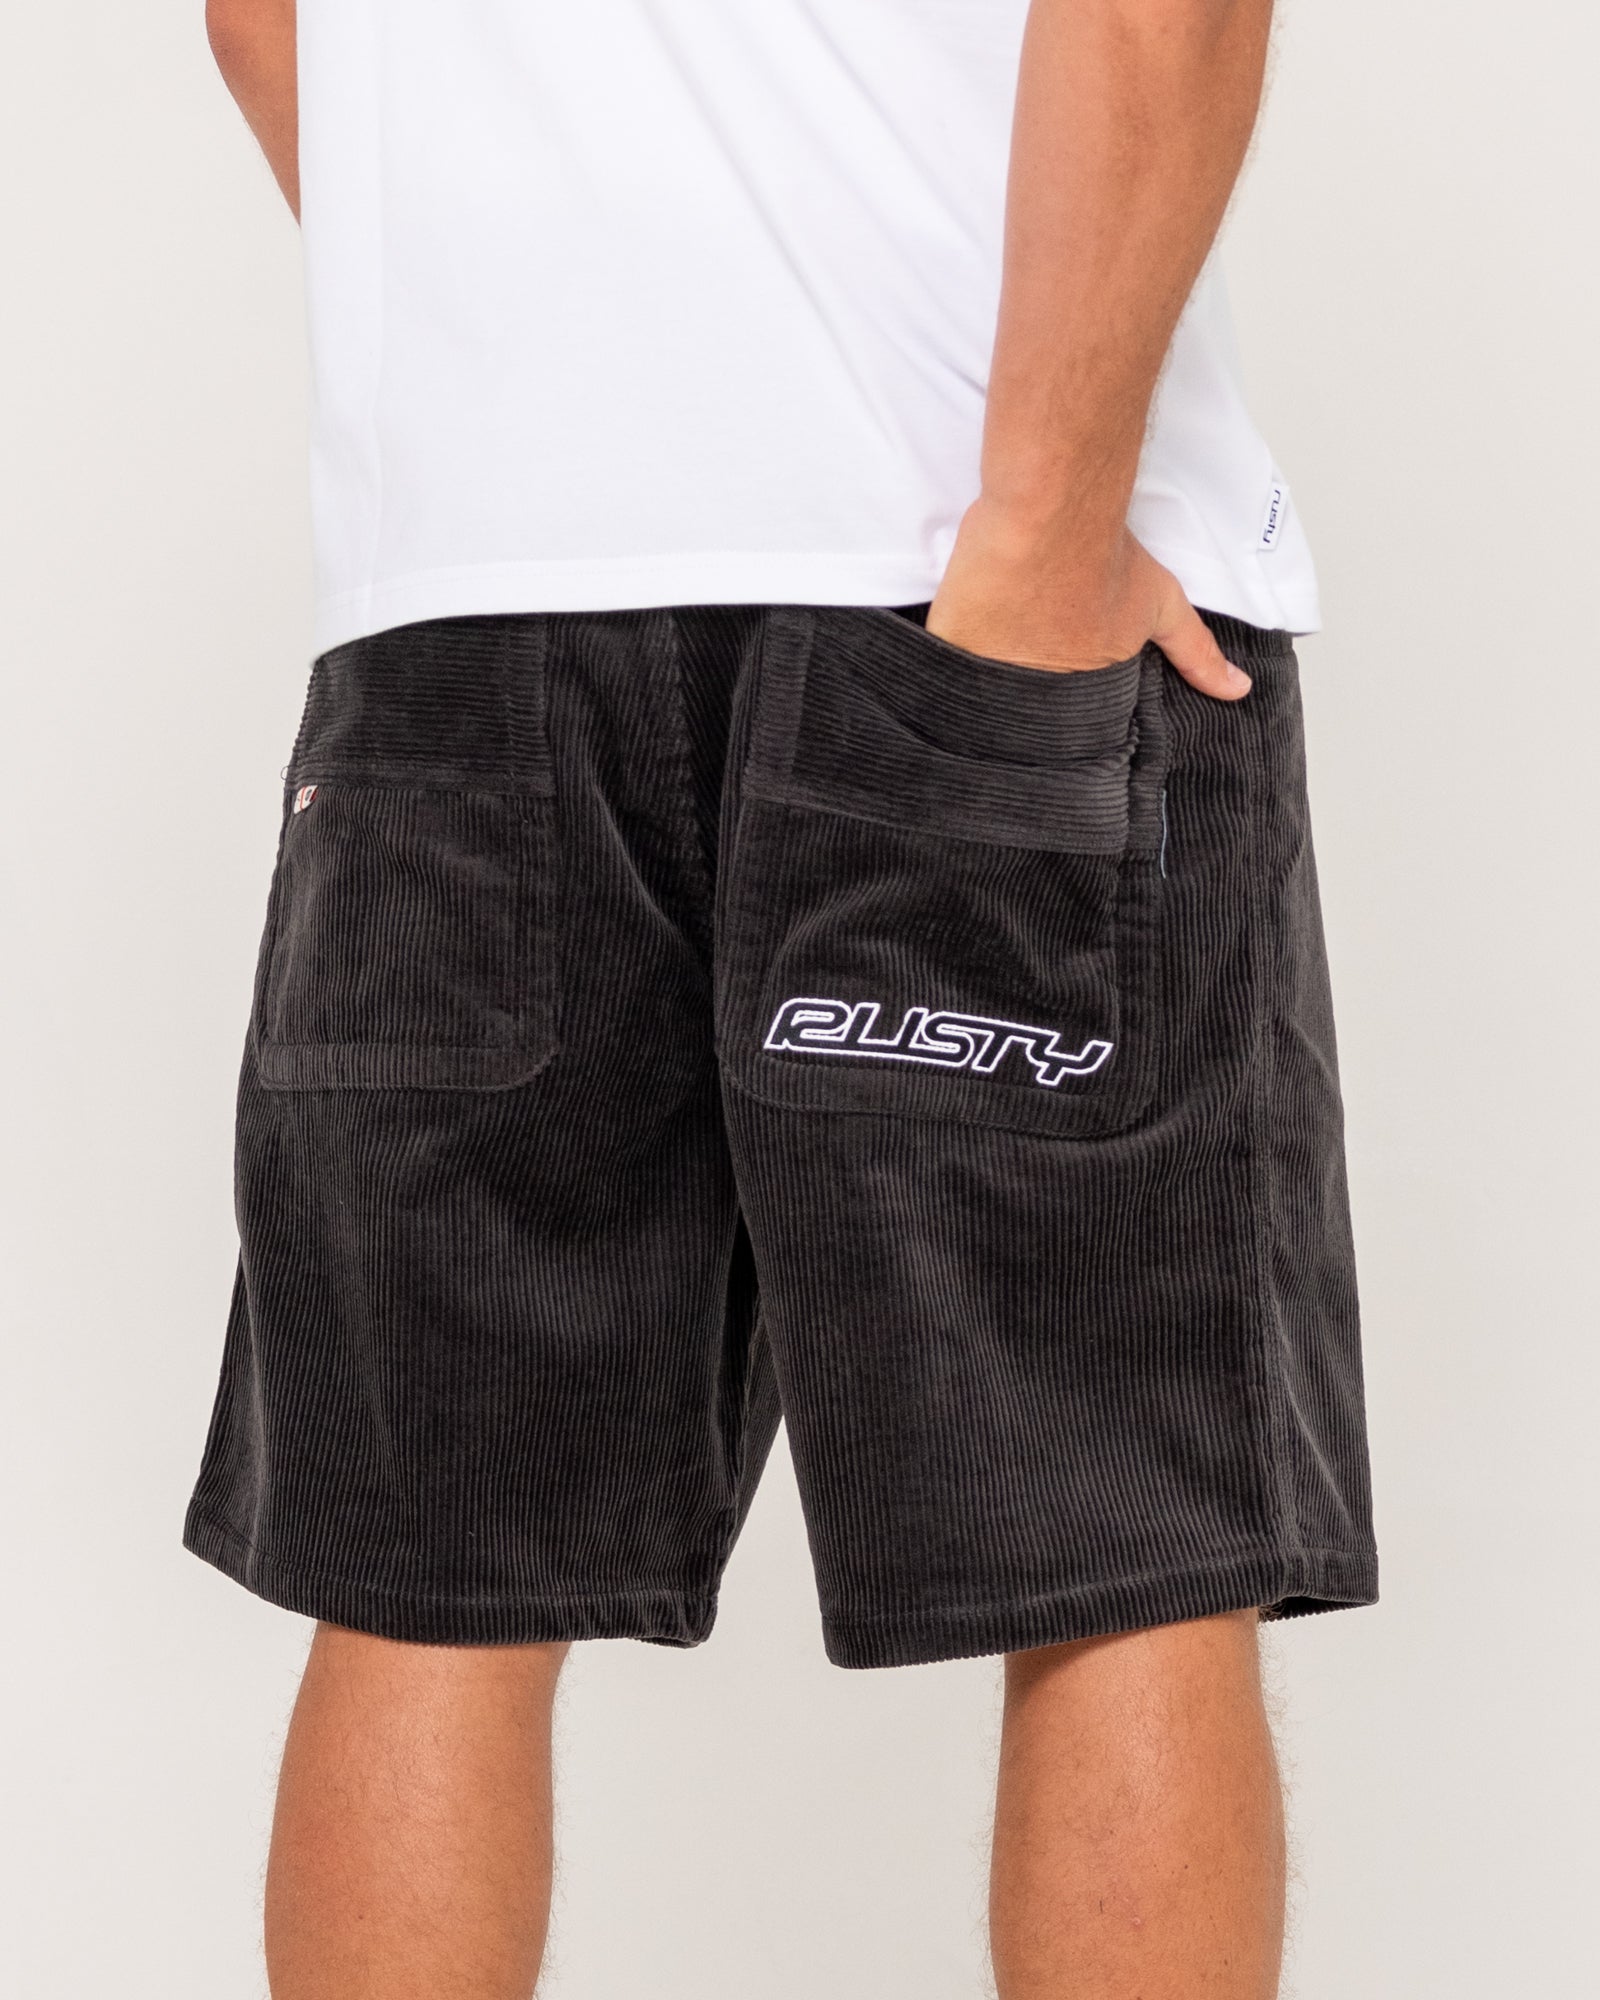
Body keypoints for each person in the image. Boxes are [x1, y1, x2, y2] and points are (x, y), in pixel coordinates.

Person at [188, 0, 1377, 1992]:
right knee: (1125, 1528)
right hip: (955, 563)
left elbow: (258, 19)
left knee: (430, 1571)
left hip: (462, 618)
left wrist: (545, 387)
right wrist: (1047, 534)